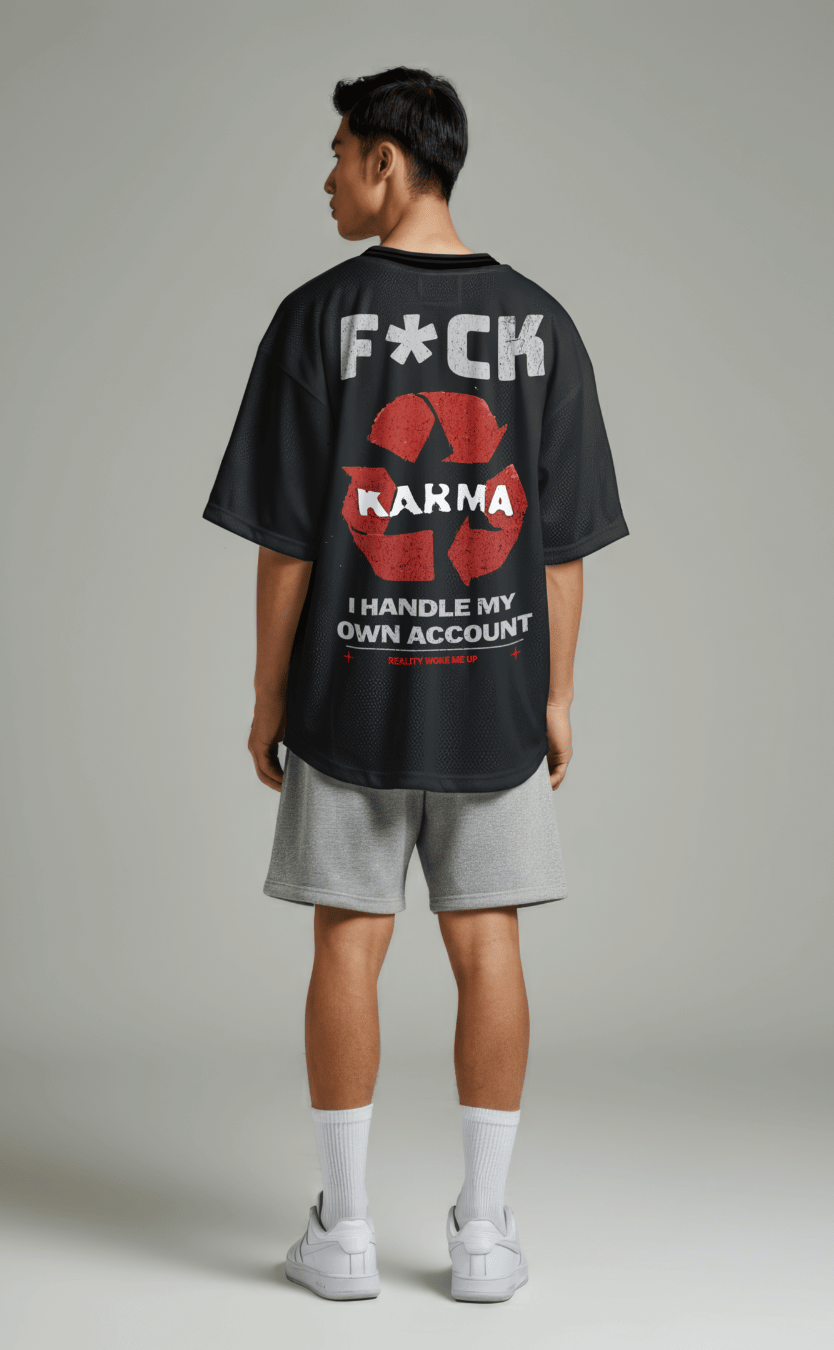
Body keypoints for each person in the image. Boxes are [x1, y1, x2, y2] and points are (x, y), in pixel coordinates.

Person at [204, 67, 627, 1303]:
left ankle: (342, 1235)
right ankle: (483, 1237)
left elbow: (291, 540)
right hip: (494, 690)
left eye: (340, 154)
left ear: (387, 161)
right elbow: (560, 545)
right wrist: (556, 698)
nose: (328, 177)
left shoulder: (315, 318)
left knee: (349, 940)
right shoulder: (542, 323)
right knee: (488, 944)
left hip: (350, 687)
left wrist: (269, 696)